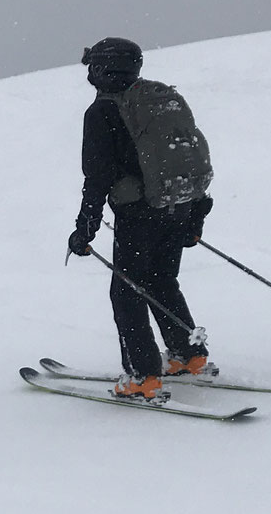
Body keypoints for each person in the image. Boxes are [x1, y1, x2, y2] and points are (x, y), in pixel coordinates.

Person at [67, 37, 213, 399]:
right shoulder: (156, 101)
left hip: (139, 213)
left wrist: (84, 230)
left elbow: (97, 177)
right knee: (162, 280)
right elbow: (186, 159)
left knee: (127, 290)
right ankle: (187, 355)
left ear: (101, 70)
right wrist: (193, 218)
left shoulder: (102, 112)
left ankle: (142, 376)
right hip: (177, 205)